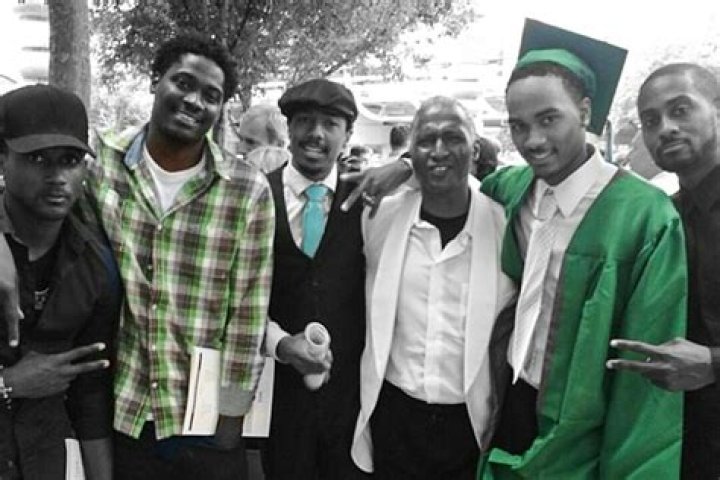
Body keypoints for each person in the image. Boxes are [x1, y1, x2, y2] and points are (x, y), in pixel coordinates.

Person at [477, 19, 687, 478]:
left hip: (586, 427)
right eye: (518, 126)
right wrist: (404, 166)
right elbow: (453, 187)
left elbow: (645, 372)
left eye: (548, 119)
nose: (533, 141)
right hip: (509, 398)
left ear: (585, 111)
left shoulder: (645, 216)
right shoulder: (511, 188)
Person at [350, 96, 516, 479]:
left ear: (475, 150)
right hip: (395, 417)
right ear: (412, 151)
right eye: (426, 140)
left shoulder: (506, 226)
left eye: (453, 137)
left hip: (471, 422)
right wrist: (403, 167)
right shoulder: (378, 216)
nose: (439, 150)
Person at [0, 84, 121, 479]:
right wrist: (8, 384)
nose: (57, 177)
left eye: (70, 160)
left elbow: (90, 394)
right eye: (37, 158)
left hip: (44, 459)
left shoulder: (96, 265)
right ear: (3, 158)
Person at [609, 63, 720, 479]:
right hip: (685, 443)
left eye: (680, 110)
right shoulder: (663, 219)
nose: (666, 128)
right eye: (651, 120)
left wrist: (713, 363)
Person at [261, 78, 368, 479]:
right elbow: (234, 296)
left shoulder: (368, 201)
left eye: (330, 124)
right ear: (288, 128)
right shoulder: (256, 195)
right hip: (277, 402)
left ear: (347, 135)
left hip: (350, 406)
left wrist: (405, 164)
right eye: (305, 120)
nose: (316, 134)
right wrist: (280, 344)